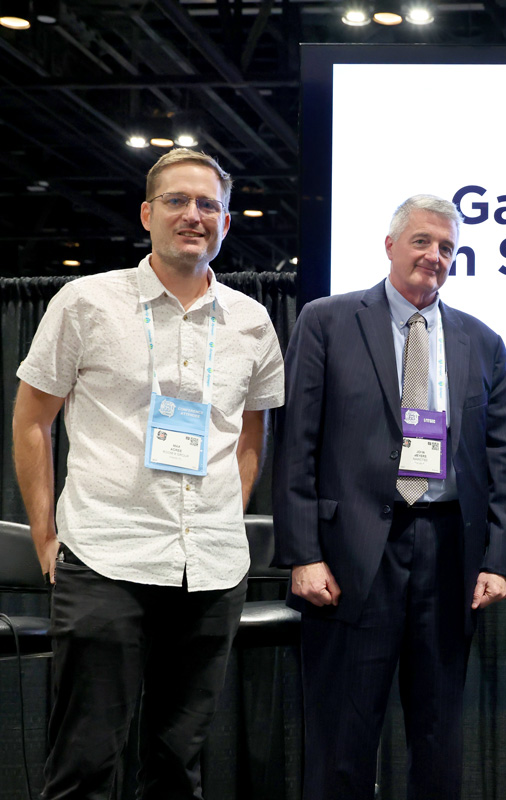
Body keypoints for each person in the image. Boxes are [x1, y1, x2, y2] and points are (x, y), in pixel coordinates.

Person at [11, 147, 284, 799]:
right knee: (85, 764)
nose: (194, 215)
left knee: (176, 766)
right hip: (107, 557)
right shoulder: (86, 303)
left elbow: (251, 434)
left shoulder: (251, 322)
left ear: (225, 221)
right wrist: (47, 536)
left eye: (208, 204)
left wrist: (224, 512)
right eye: (177, 201)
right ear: (146, 214)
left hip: (211, 571)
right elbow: (31, 422)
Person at [272, 194, 506, 800]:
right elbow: (296, 443)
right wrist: (303, 553)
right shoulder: (327, 321)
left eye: (447, 249)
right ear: (390, 246)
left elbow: (502, 460)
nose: (434, 257)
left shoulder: (481, 341)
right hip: (351, 556)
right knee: (342, 739)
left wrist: (496, 559)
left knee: (439, 739)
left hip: (447, 553)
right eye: (422, 242)